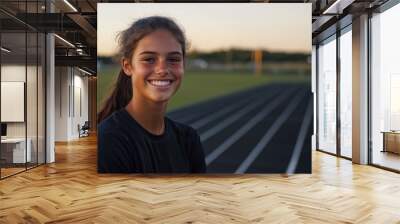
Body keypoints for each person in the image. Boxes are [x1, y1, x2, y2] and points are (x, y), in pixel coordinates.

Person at [97, 16, 206, 173]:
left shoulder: (188, 139)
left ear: (183, 65)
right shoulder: (108, 142)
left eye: (173, 59)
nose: (162, 69)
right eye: (149, 59)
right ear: (128, 66)